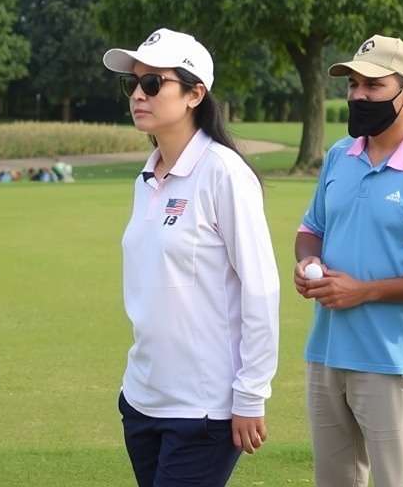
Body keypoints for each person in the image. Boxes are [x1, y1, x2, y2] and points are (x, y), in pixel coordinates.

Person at [103, 28, 280, 486]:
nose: (138, 95)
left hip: (204, 408)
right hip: (143, 399)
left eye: (153, 83)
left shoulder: (223, 173)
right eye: (134, 84)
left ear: (195, 93)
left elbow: (260, 288)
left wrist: (250, 395)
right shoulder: (147, 176)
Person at [294, 35, 403, 487]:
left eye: (373, 85)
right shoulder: (339, 155)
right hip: (326, 353)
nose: (358, 96)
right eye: (353, 84)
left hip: (392, 362)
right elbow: (310, 229)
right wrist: (307, 262)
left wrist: (364, 291)